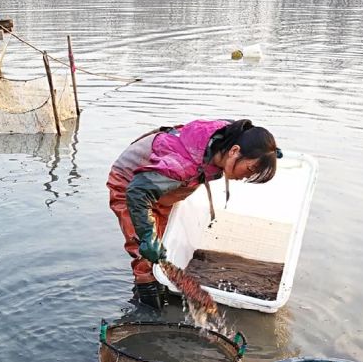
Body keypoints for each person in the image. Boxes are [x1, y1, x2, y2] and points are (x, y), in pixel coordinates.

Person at [108, 119, 280, 309]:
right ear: (234, 151)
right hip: (131, 185)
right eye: (249, 170)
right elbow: (137, 192)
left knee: (163, 247)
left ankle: (162, 290)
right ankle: (148, 310)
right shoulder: (182, 164)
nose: (246, 177)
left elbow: (245, 129)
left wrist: (271, 152)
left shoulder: (229, 137)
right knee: (146, 253)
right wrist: (147, 236)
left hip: (162, 187)